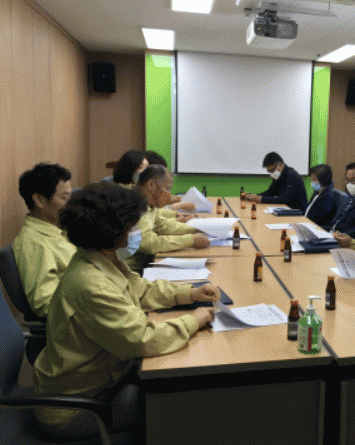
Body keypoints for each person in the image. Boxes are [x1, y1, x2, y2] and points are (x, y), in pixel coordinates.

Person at [33, 182, 218, 441]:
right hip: (76, 409)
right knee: (180, 406)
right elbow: (141, 339)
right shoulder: (91, 283)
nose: (135, 231)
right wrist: (192, 321)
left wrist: (188, 293)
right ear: (112, 230)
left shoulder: (98, 257)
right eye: (131, 226)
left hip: (104, 379)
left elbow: (140, 290)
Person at [13, 163, 77, 318]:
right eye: (64, 198)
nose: (70, 204)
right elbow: (46, 303)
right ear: (39, 200)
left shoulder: (59, 230)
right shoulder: (34, 244)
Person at [126, 165, 210, 272]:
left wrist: (195, 228)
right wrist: (190, 240)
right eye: (167, 189)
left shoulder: (149, 204)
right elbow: (149, 243)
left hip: (143, 263)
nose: (169, 195)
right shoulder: (135, 205)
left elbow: (164, 226)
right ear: (151, 185)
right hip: (131, 270)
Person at [326, 161, 355, 238]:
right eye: (348, 180)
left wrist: (337, 236)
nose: (350, 184)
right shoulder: (350, 198)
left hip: (343, 239)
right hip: (331, 234)